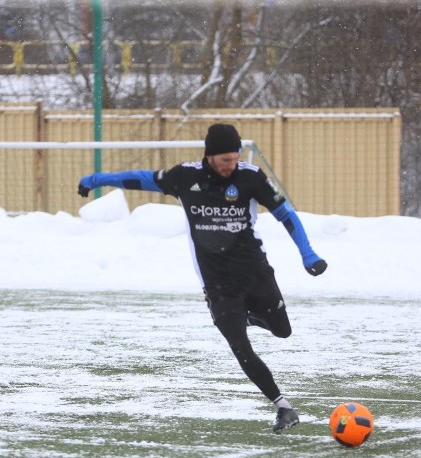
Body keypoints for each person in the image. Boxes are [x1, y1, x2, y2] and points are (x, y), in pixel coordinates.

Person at [77, 123, 327, 433]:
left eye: (235, 159)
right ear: (209, 156)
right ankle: (283, 407)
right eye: (225, 160)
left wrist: (308, 255)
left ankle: (249, 316)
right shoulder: (186, 177)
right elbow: (142, 178)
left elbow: (286, 214)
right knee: (239, 344)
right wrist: (99, 179)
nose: (231, 166)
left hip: (254, 272)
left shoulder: (250, 177)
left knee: (283, 331)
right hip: (218, 282)